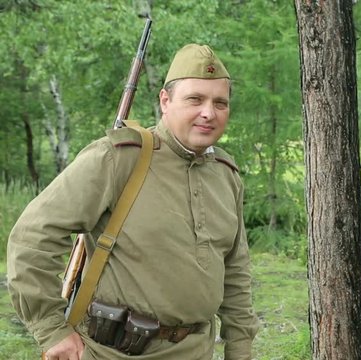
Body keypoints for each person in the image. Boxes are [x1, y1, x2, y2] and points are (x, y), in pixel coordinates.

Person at [7, 44, 259, 359]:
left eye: (220, 102)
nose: (209, 112)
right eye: (195, 99)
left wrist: (240, 349)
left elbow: (235, 273)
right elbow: (32, 237)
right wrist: (52, 330)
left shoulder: (226, 175)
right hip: (111, 352)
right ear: (165, 101)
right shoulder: (119, 158)